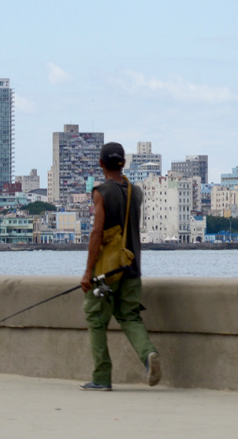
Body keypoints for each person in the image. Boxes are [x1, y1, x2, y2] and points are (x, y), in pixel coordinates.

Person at [79, 142, 161, 391]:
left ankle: (102, 377)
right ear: (123, 163)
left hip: (107, 271)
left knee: (95, 319)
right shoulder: (136, 192)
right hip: (132, 267)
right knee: (130, 316)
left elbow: (97, 233)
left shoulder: (101, 191)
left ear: (101, 164)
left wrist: (87, 272)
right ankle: (148, 354)